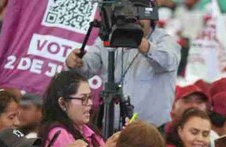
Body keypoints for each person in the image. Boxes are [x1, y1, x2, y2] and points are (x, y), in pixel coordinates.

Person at [65, 0, 181, 128]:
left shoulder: (164, 40)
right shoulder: (108, 38)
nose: (133, 19)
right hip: (111, 128)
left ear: (151, 18)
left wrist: (139, 41)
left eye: (138, 14)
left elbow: (168, 62)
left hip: (149, 132)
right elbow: (85, 70)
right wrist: (74, 63)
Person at [38, 70, 116, 147]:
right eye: (83, 99)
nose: (90, 103)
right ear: (63, 103)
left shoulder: (88, 130)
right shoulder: (60, 134)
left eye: (90, 97)